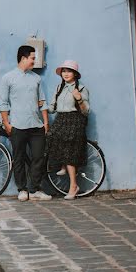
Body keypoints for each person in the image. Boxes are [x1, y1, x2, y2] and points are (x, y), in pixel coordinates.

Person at [0, 45, 52, 201]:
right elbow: (3, 102)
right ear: (23, 58)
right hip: (17, 125)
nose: (34, 61)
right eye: (33, 58)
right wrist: (6, 123)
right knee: (19, 158)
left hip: (36, 125)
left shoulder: (36, 78)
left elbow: (42, 101)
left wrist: (46, 122)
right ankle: (22, 189)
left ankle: (34, 190)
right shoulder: (8, 78)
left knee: (38, 158)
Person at [47, 60, 90, 200]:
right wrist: (43, 106)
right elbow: (52, 108)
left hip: (75, 119)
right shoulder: (59, 87)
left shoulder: (81, 88)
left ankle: (73, 186)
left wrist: (79, 99)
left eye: (69, 71)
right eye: (63, 71)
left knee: (69, 149)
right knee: (51, 135)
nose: (65, 73)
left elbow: (85, 111)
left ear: (75, 74)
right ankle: (63, 164)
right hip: (61, 118)